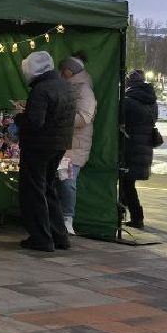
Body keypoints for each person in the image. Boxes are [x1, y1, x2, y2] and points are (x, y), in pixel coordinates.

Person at [13, 50, 76, 252]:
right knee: (49, 188)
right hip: (59, 144)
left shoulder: (41, 89)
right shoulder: (65, 86)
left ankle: (41, 237)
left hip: (38, 145)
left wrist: (18, 118)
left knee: (35, 191)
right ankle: (59, 236)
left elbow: (35, 121)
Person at [58, 54, 97, 235]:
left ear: (70, 70)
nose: (61, 72)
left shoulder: (84, 90)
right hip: (62, 142)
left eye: (63, 68)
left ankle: (67, 219)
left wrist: (57, 117)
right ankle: (57, 217)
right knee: (59, 181)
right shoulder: (65, 86)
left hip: (76, 146)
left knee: (67, 182)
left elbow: (84, 118)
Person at [119, 69, 159, 229]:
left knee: (126, 183)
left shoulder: (127, 101)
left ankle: (136, 216)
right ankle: (124, 213)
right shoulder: (152, 101)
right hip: (145, 146)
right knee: (127, 182)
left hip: (130, 147)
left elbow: (120, 121)